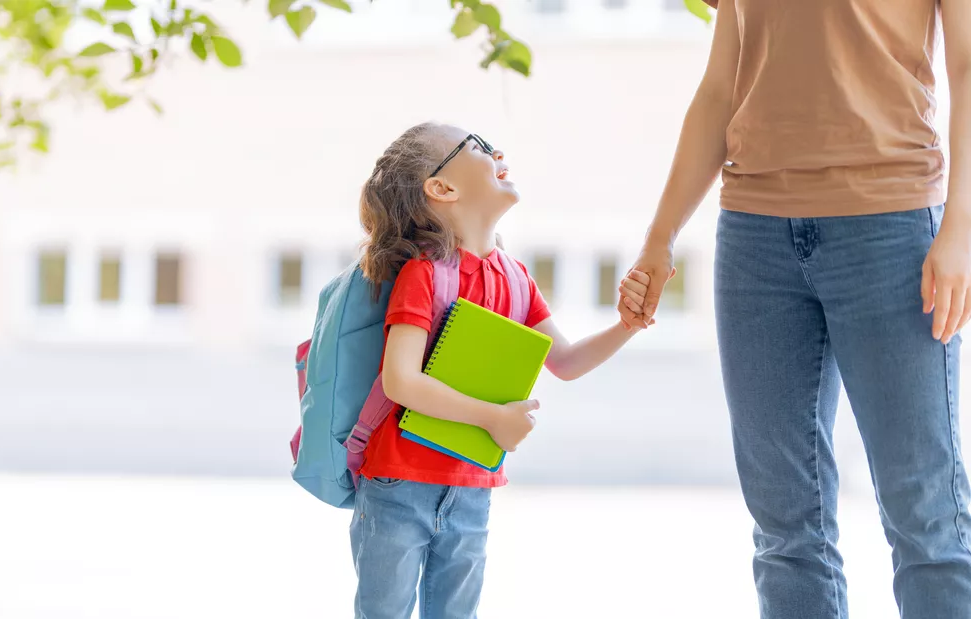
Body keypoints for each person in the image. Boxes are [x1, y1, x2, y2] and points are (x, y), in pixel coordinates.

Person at [617, 1, 971, 617]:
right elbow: (720, 86)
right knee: (784, 527)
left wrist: (961, 229)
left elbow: (968, 63)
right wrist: (660, 237)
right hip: (755, 238)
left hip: (890, 224)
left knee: (927, 516)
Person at [352, 122, 648, 619]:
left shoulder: (516, 277)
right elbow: (402, 381)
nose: (499, 152)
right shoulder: (423, 273)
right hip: (399, 481)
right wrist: (492, 417)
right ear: (442, 187)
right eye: (480, 148)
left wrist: (627, 325)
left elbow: (566, 362)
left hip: (471, 484)